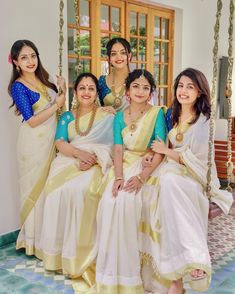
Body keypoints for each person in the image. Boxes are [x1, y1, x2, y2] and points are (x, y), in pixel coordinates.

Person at [146, 68, 233, 293]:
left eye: (190, 87)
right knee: (161, 187)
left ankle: (197, 259)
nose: (183, 91)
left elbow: (200, 162)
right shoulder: (174, 114)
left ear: (199, 92)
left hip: (193, 177)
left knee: (170, 184)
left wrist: (167, 152)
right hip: (172, 171)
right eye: (180, 86)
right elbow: (165, 143)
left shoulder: (204, 122)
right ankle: (174, 277)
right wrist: (155, 152)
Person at [94, 69, 167, 293]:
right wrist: (118, 176)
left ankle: (131, 276)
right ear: (127, 91)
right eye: (136, 86)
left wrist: (142, 178)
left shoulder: (156, 114)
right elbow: (118, 147)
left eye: (146, 87)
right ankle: (111, 273)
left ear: (150, 92)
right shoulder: (119, 117)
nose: (140, 91)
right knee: (109, 201)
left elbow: (160, 149)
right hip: (123, 164)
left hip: (148, 165)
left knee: (129, 202)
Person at [39, 73, 114, 287]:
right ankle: (62, 254)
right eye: (82, 88)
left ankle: (84, 253)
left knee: (83, 191)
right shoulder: (67, 117)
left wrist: (92, 158)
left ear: (96, 93)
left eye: (91, 88)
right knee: (56, 193)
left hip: (97, 164)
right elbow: (60, 142)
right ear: (76, 91)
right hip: (70, 161)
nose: (87, 92)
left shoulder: (106, 115)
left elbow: (112, 146)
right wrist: (79, 154)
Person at [8, 39, 66, 256]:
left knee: (51, 187)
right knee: (36, 190)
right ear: (15, 62)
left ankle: (50, 240)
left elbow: (58, 105)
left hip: (52, 140)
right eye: (24, 57)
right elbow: (31, 120)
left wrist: (61, 88)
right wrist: (57, 104)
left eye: (33, 55)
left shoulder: (44, 80)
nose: (30, 61)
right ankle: (33, 242)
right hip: (33, 144)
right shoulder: (18, 86)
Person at [98, 37, 132, 113]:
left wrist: (117, 116)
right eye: (113, 54)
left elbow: (144, 111)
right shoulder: (102, 81)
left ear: (129, 56)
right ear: (108, 58)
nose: (118, 57)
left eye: (123, 53)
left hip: (132, 124)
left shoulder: (137, 80)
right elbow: (96, 109)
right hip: (107, 124)